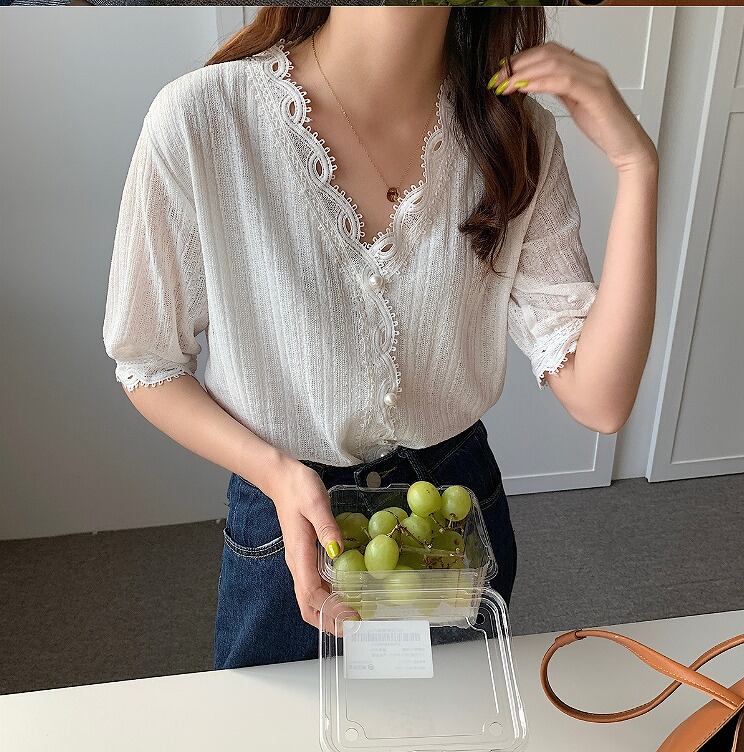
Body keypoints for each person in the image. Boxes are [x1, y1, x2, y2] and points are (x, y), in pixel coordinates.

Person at [102, 6, 658, 669]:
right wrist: (276, 474)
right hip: (288, 513)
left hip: (448, 519)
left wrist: (636, 166)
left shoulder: (515, 134)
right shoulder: (203, 120)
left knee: (448, 720)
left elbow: (601, 399)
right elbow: (148, 363)